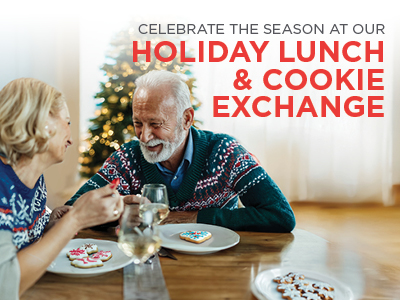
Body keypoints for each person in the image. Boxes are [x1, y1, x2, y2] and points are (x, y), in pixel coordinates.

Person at [66, 70, 296, 232]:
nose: (144, 137)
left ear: (186, 119)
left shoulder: (226, 152)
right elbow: (72, 210)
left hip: (220, 267)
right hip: (150, 264)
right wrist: (116, 212)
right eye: (138, 123)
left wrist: (185, 218)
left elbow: (281, 216)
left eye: (155, 124)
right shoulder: (126, 158)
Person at [0, 78, 124, 299]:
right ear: (42, 123)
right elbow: (5, 286)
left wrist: (50, 223)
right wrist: (74, 220)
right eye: (66, 122)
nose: (71, 140)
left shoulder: (34, 179)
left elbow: (21, 237)